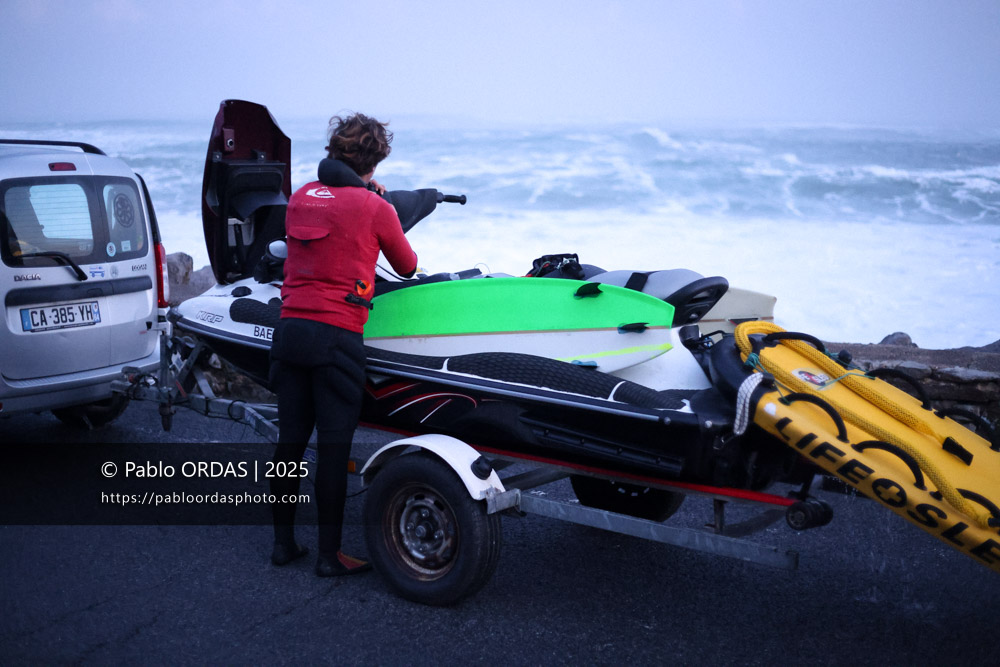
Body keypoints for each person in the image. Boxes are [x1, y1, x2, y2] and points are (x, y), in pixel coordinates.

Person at [268, 113, 417, 577]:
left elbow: (323, 228)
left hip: (290, 332)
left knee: (289, 444)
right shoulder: (374, 206)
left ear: (334, 151)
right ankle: (329, 557)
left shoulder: (300, 197)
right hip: (336, 338)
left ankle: (282, 544)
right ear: (374, 161)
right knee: (333, 449)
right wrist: (380, 203)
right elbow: (407, 265)